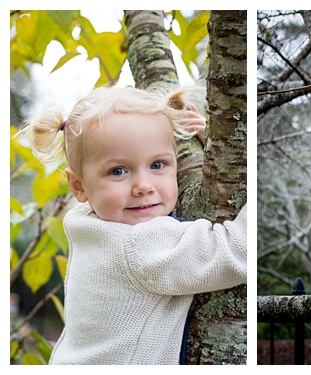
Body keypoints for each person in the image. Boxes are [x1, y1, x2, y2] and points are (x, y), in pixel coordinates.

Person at [20, 86, 247, 365]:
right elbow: (238, 251)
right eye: (118, 171)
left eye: (158, 164)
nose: (143, 186)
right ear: (79, 186)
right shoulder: (140, 243)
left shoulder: (87, 224)